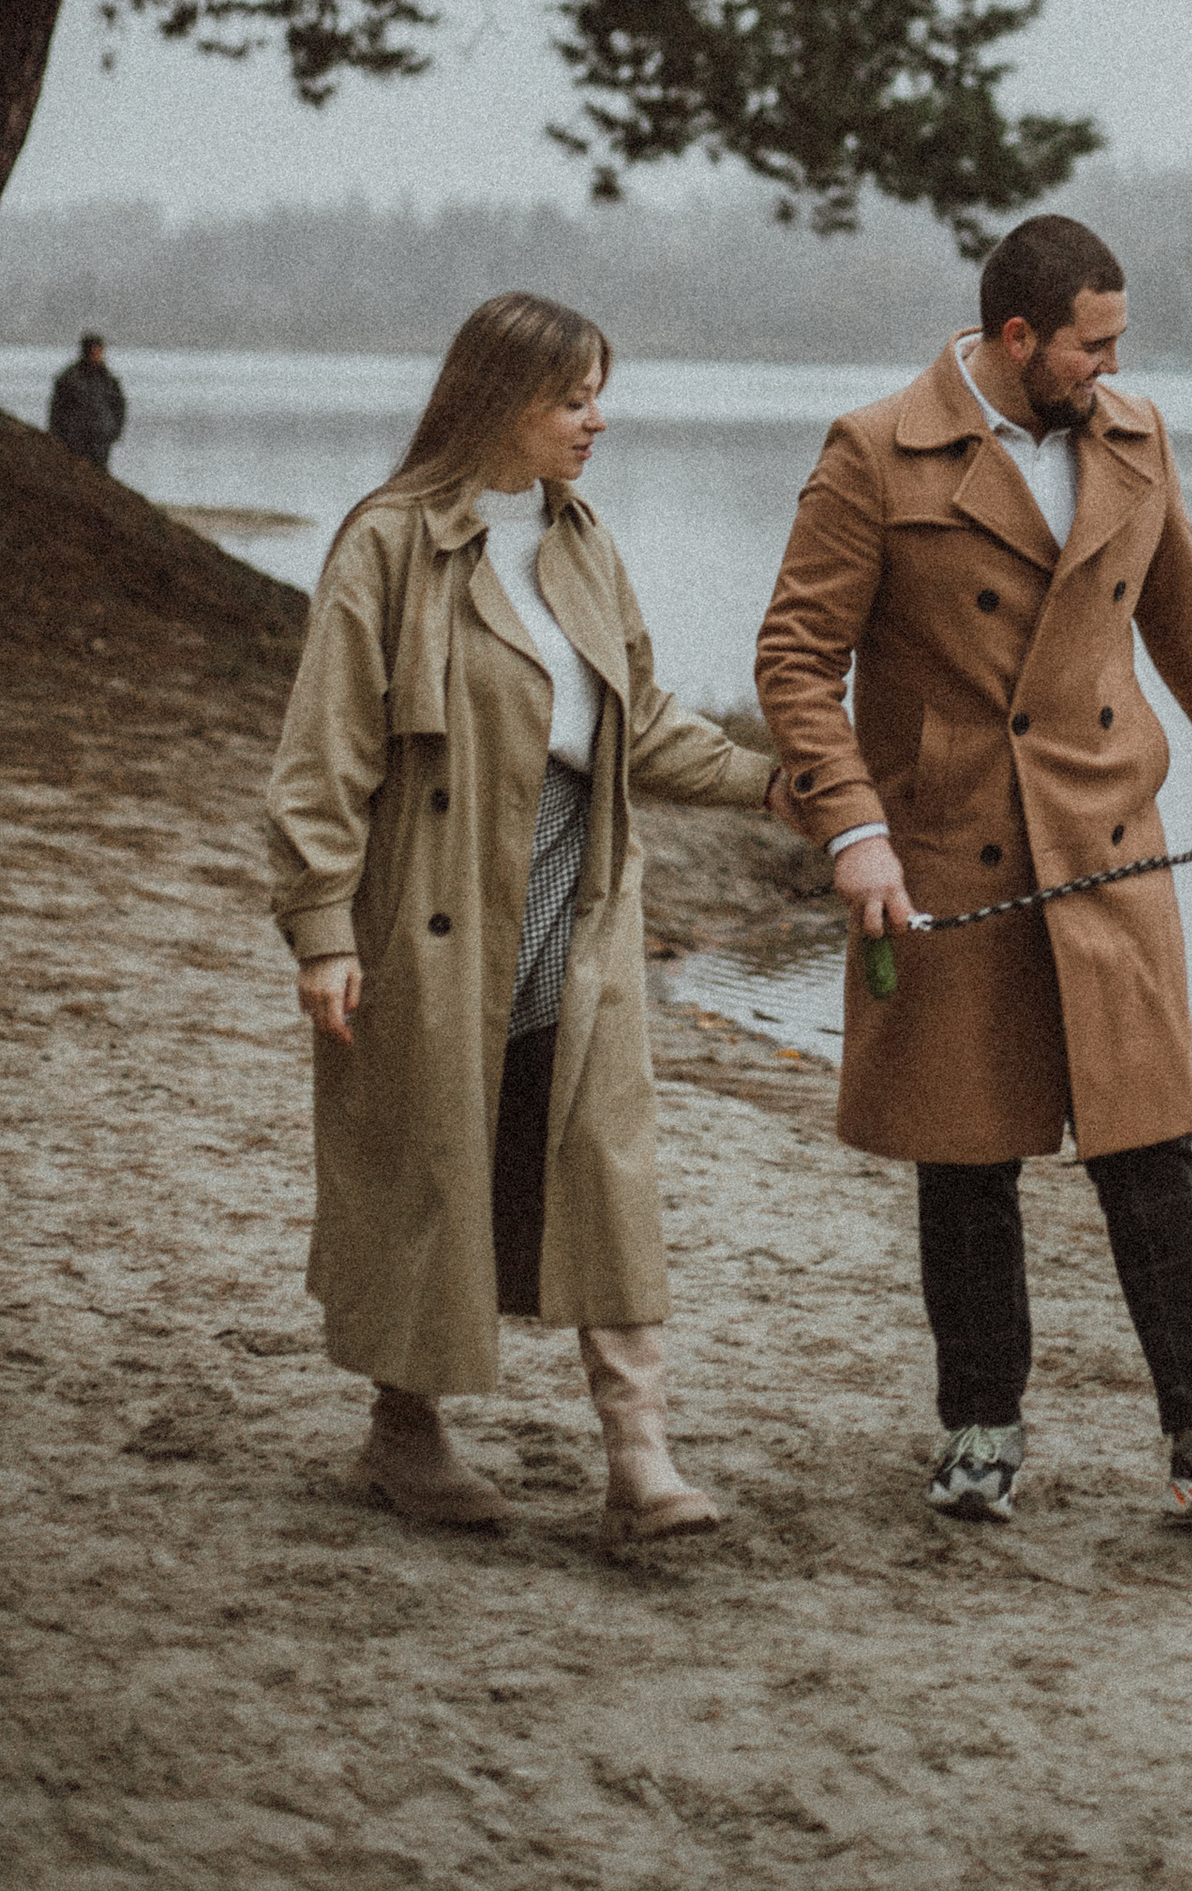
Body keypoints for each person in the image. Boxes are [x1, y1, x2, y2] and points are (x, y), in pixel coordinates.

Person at [756, 212, 1192, 1528]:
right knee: (966, 1158)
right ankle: (979, 1429)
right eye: (1092, 345)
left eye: (1119, 344)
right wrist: (856, 834)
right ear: (1019, 339)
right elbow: (797, 663)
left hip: (1111, 844)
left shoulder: (1134, 439)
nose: (1111, 370)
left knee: (1155, 1145)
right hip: (948, 851)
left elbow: (1189, 629)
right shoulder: (873, 451)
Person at [265, 290, 784, 1544]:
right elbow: (322, 753)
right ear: (499, 401)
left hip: (578, 904)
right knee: (433, 1161)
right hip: (430, 917)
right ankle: (404, 1429)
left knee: (605, 1169)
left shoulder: (583, 541)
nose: (596, 420)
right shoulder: (388, 544)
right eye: (572, 398)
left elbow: (641, 721)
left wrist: (776, 787)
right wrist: (324, 928)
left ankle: (640, 1457)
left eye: (599, 394)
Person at [47, 333, 125, 469]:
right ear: (86, 351)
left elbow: (119, 407)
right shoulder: (69, 378)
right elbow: (57, 409)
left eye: (100, 350)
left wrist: (114, 432)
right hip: (75, 440)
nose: (99, 354)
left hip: (101, 439)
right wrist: (56, 435)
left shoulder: (109, 379)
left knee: (99, 478)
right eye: (95, 350)